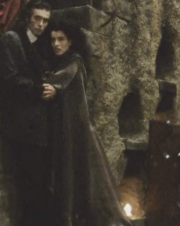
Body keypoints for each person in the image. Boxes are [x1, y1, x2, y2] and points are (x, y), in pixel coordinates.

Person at [44, 20, 132, 226]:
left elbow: (62, 79)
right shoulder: (60, 62)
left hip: (77, 131)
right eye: (53, 40)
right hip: (66, 129)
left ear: (70, 41)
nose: (56, 44)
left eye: (61, 39)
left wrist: (53, 86)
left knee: (82, 177)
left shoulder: (74, 62)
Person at [0, 1, 55, 226]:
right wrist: (39, 89)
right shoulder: (12, 39)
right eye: (37, 18)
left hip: (39, 127)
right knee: (27, 188)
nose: (41, 24)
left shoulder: (44, 45)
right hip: (19, 125)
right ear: (28, 17)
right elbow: (9, 79)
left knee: (40, 187)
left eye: (45, 20)